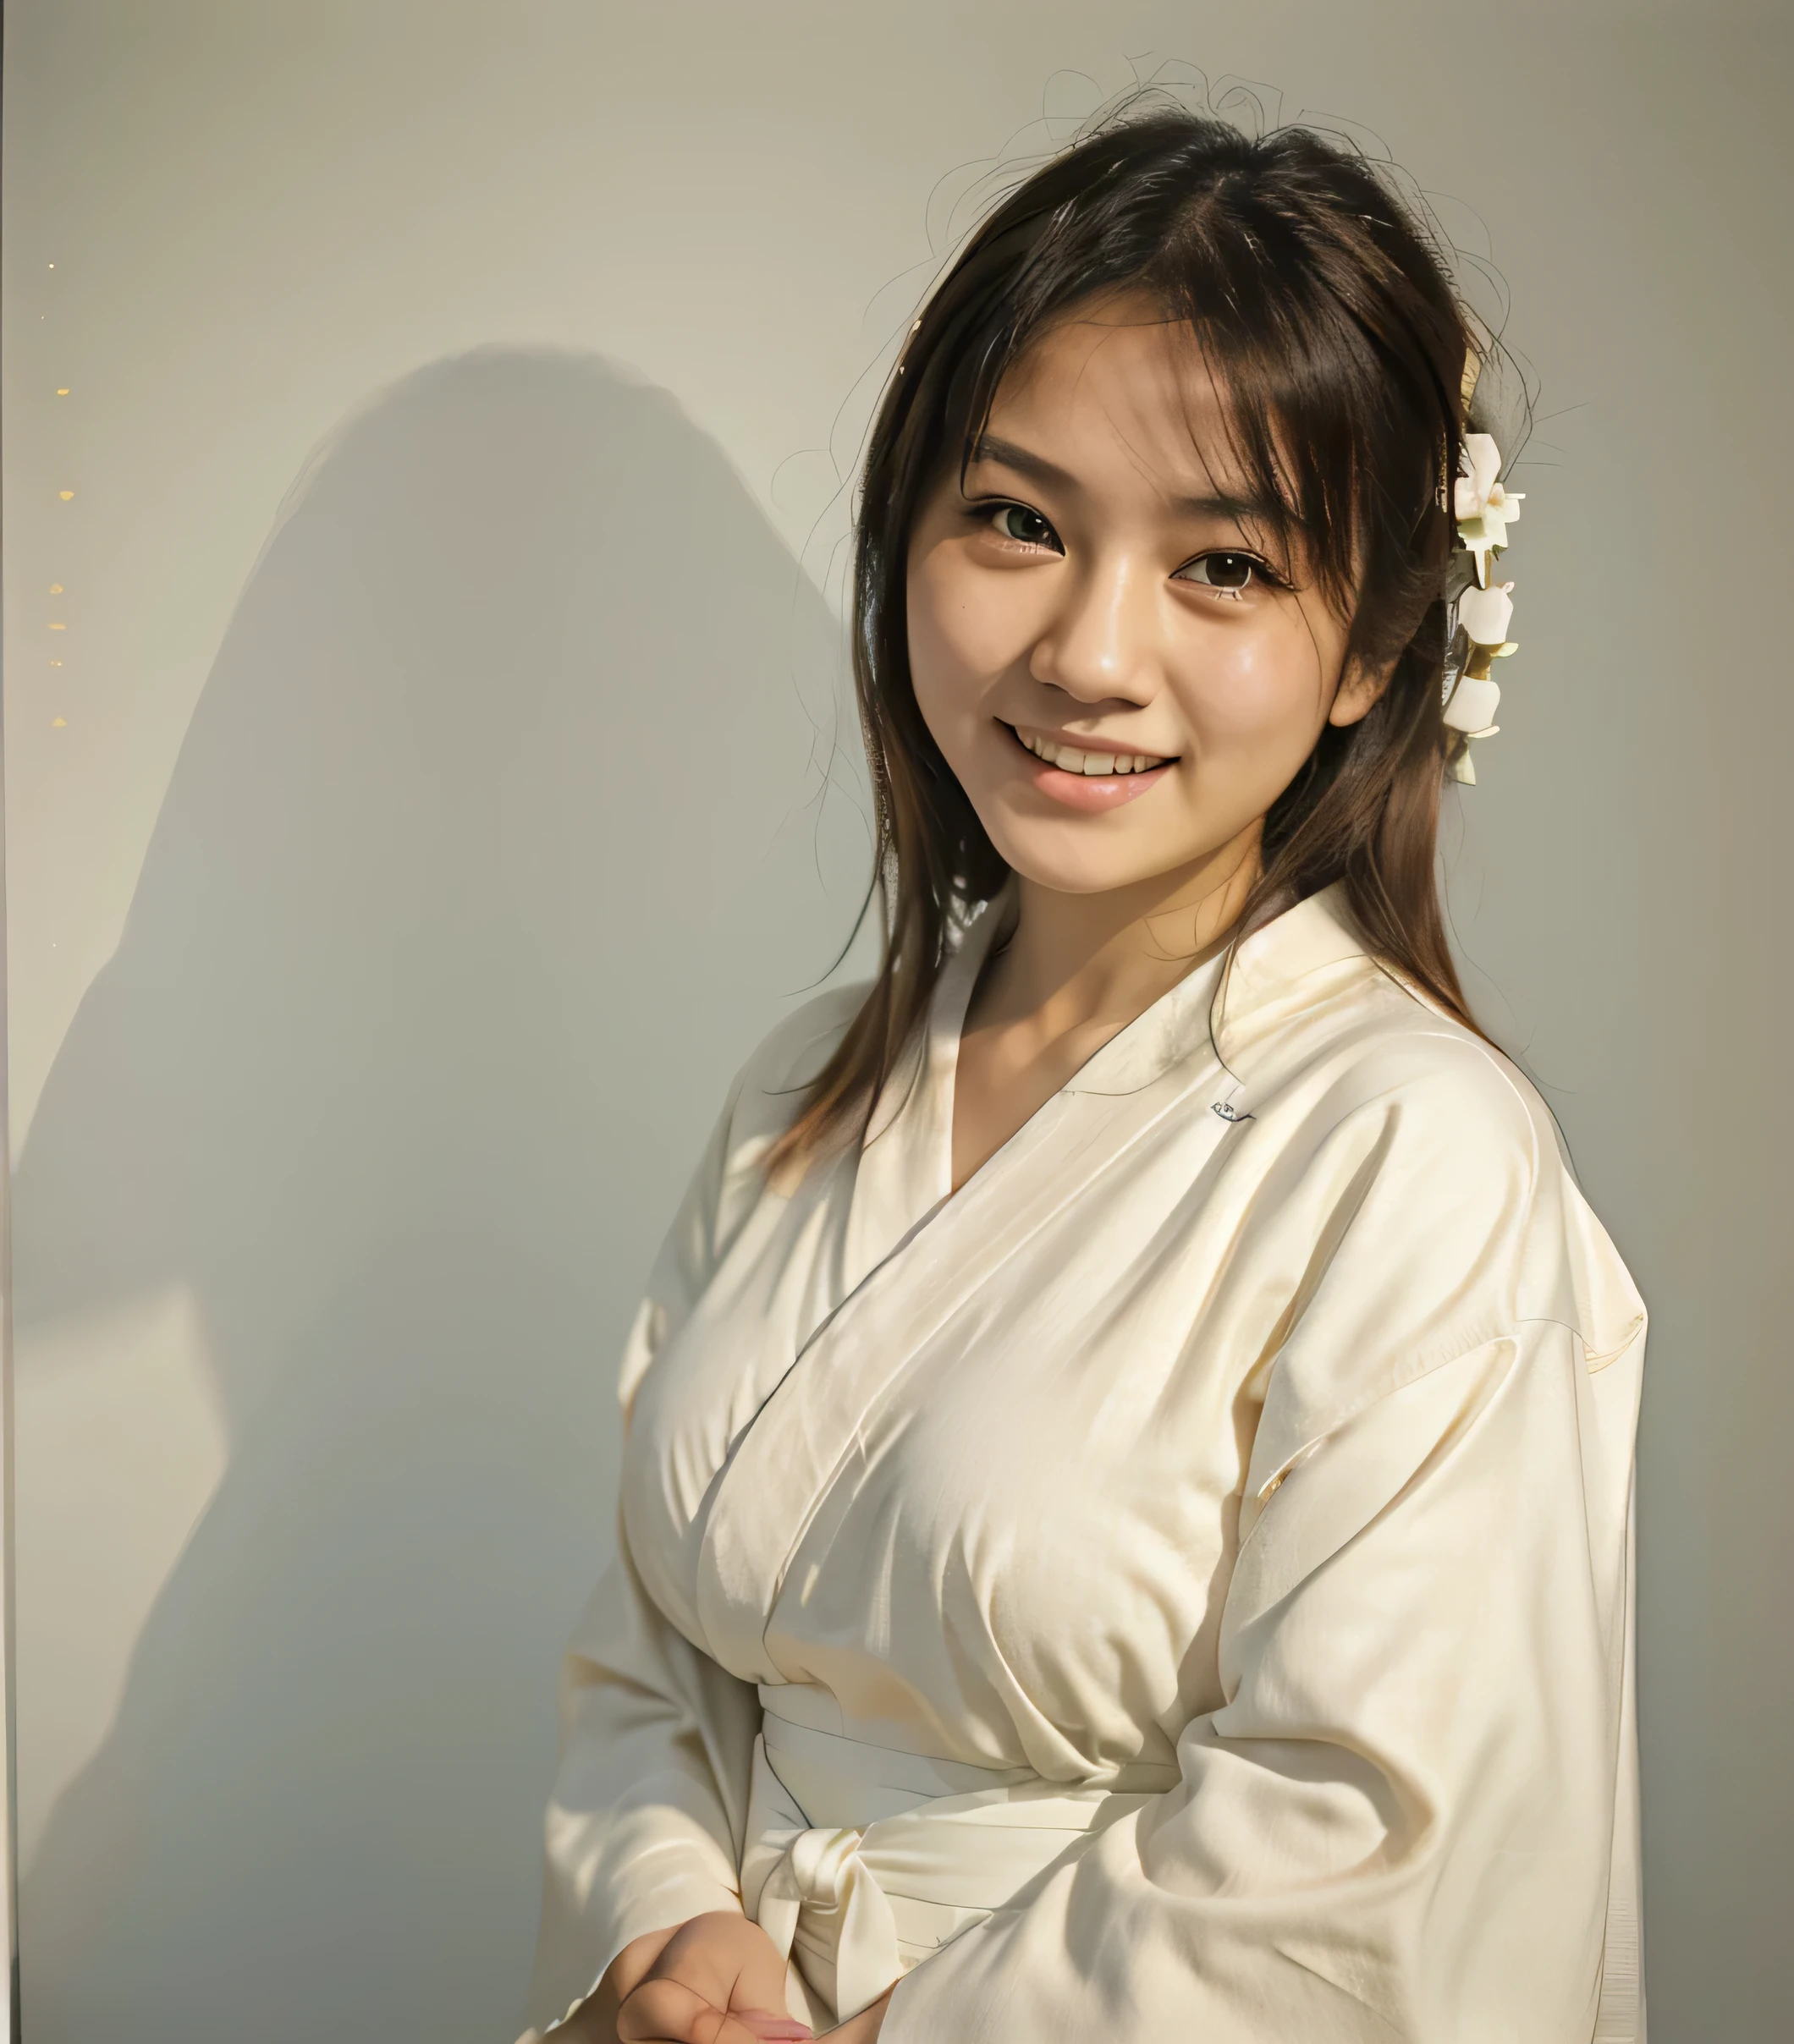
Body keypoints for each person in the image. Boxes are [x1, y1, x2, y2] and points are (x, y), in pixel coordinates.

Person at [518, 101, 1646, 2044]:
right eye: (1018, 521)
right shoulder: (811, 1086)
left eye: (1220, 565)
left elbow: (1374, 1856)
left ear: (1371, 644)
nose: (1087, 652)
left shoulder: (1414, 1156)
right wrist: (664, 1918)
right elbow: (652, 1655)